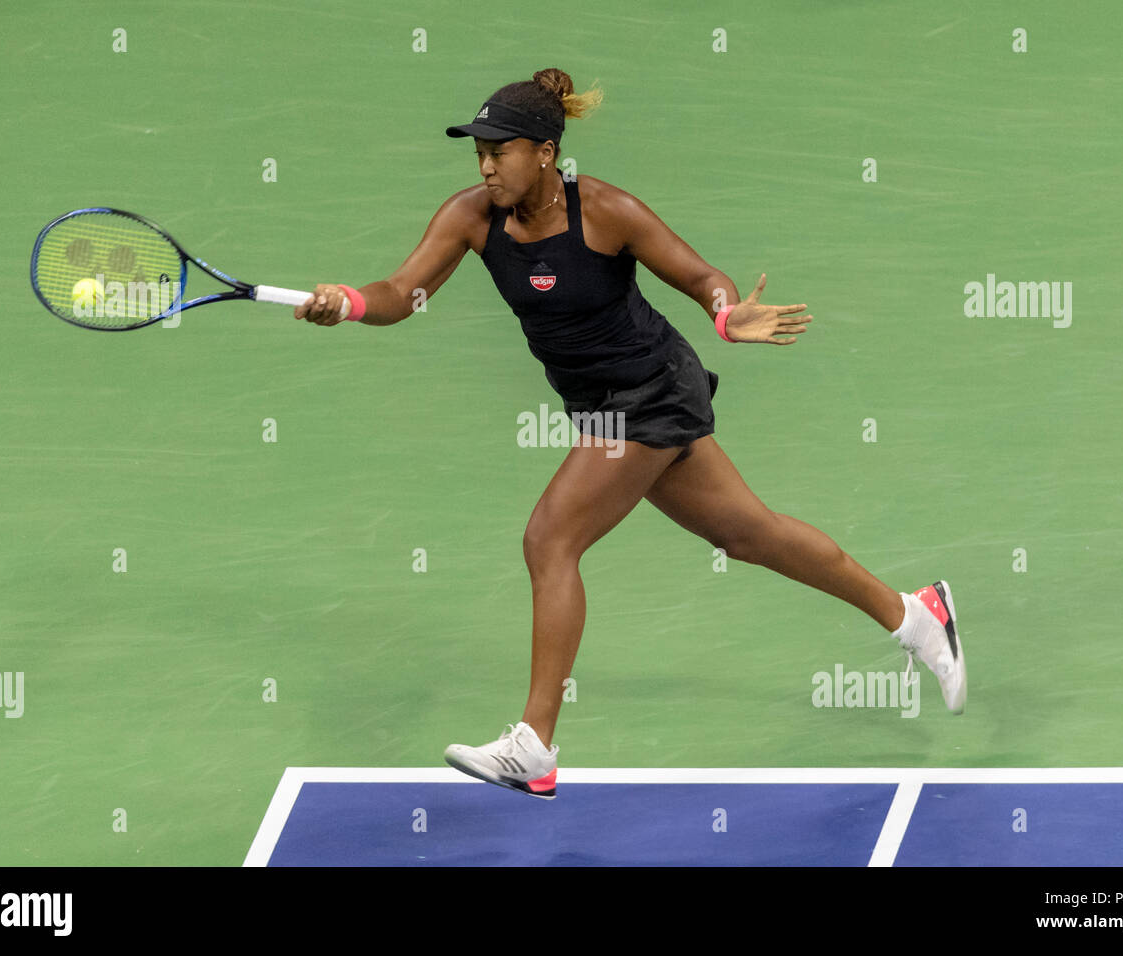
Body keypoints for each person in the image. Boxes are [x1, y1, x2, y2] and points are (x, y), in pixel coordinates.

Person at [295, 68, 966, 800]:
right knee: (750, 535)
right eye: (478, 152)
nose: (485, 165)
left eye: (500, 150)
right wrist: (351, 302)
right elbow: (403, 293)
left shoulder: (606, 212)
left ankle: (534, 745)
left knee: (549, 538)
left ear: (546, 153)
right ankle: (913, 614)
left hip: (649, 392)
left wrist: (725, 312)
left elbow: (700, 274)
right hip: (603, 406)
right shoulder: (469, 217)